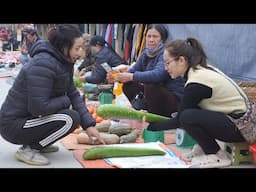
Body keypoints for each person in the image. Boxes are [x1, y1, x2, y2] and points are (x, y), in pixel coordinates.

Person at [0, 24, 104, 166]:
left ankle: (39, 143)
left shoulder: (63, 62)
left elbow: (73, 93)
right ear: (64, 47)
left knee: (73, 115)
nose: (80, 53)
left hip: (28, 119)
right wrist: (65, 100)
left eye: (82, 48)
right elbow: (39, 108)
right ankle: (30, 149)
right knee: (70, 118)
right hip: (13, 125)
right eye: (77, 48)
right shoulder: (42, 64)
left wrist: (89, 126)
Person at [147, 37, 255, 168]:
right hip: (237, 121)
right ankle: (203, 148)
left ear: (181, 60)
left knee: (187, 117)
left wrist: (151, 125)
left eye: (167, 63)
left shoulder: (197, 81)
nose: (165, 68)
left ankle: (217, 155)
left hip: (243, 128)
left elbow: (180, 119)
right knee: (191, 113)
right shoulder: (200, 70)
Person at [108, 24, 184, 117]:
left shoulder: (166, 53)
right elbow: (132, 71)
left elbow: (159, 75)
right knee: (128, 84)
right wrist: (118, 77)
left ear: (162, 39)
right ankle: (142, 109)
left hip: (173, 98)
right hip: (156, 96)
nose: (151, 40)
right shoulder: (146, 53)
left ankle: (155, 116)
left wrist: (132, 76)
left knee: (150, 85)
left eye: (155, 36)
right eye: (149, 36)